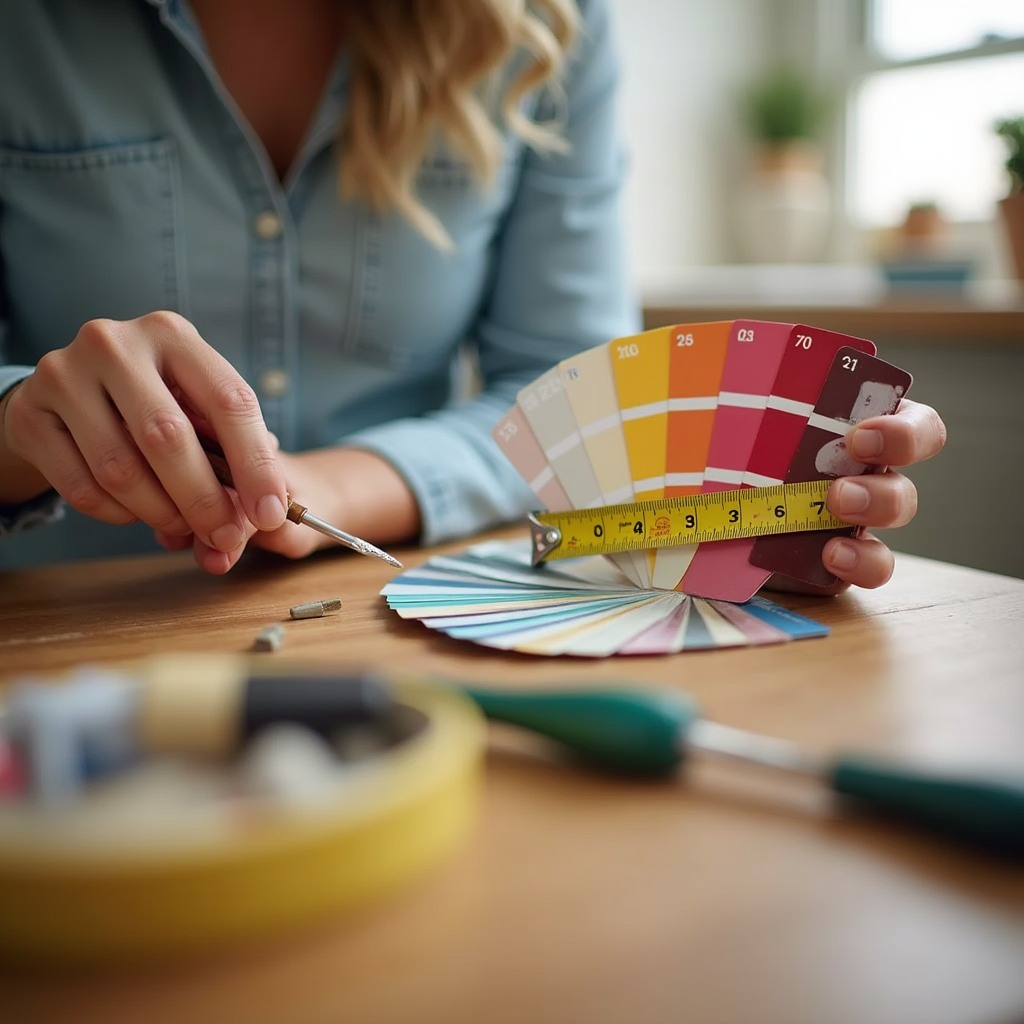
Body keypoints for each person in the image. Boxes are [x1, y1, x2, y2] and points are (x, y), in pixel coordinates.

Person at [0, 0, 944, 593]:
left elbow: (560, 390)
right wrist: (16, 420)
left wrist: (322, 487)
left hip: (379, 621)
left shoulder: (547, 27)